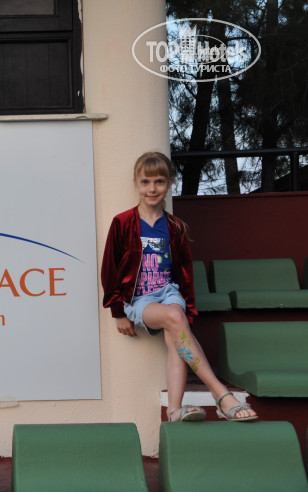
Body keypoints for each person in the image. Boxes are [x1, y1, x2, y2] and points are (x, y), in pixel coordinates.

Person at [101, 152, 257, 422]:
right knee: (175, 319)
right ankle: (220, 393)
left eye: (159, 182)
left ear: (170, 182)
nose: (152, 189)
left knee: (176, 336)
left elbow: (184, 274)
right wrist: (117, 311)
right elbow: (110, 269)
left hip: (169, 293)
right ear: (136, 183)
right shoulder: (123, 223)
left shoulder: (175, 227)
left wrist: (188, 310)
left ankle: (174, 409)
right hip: (139, 299)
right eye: (146, 182)